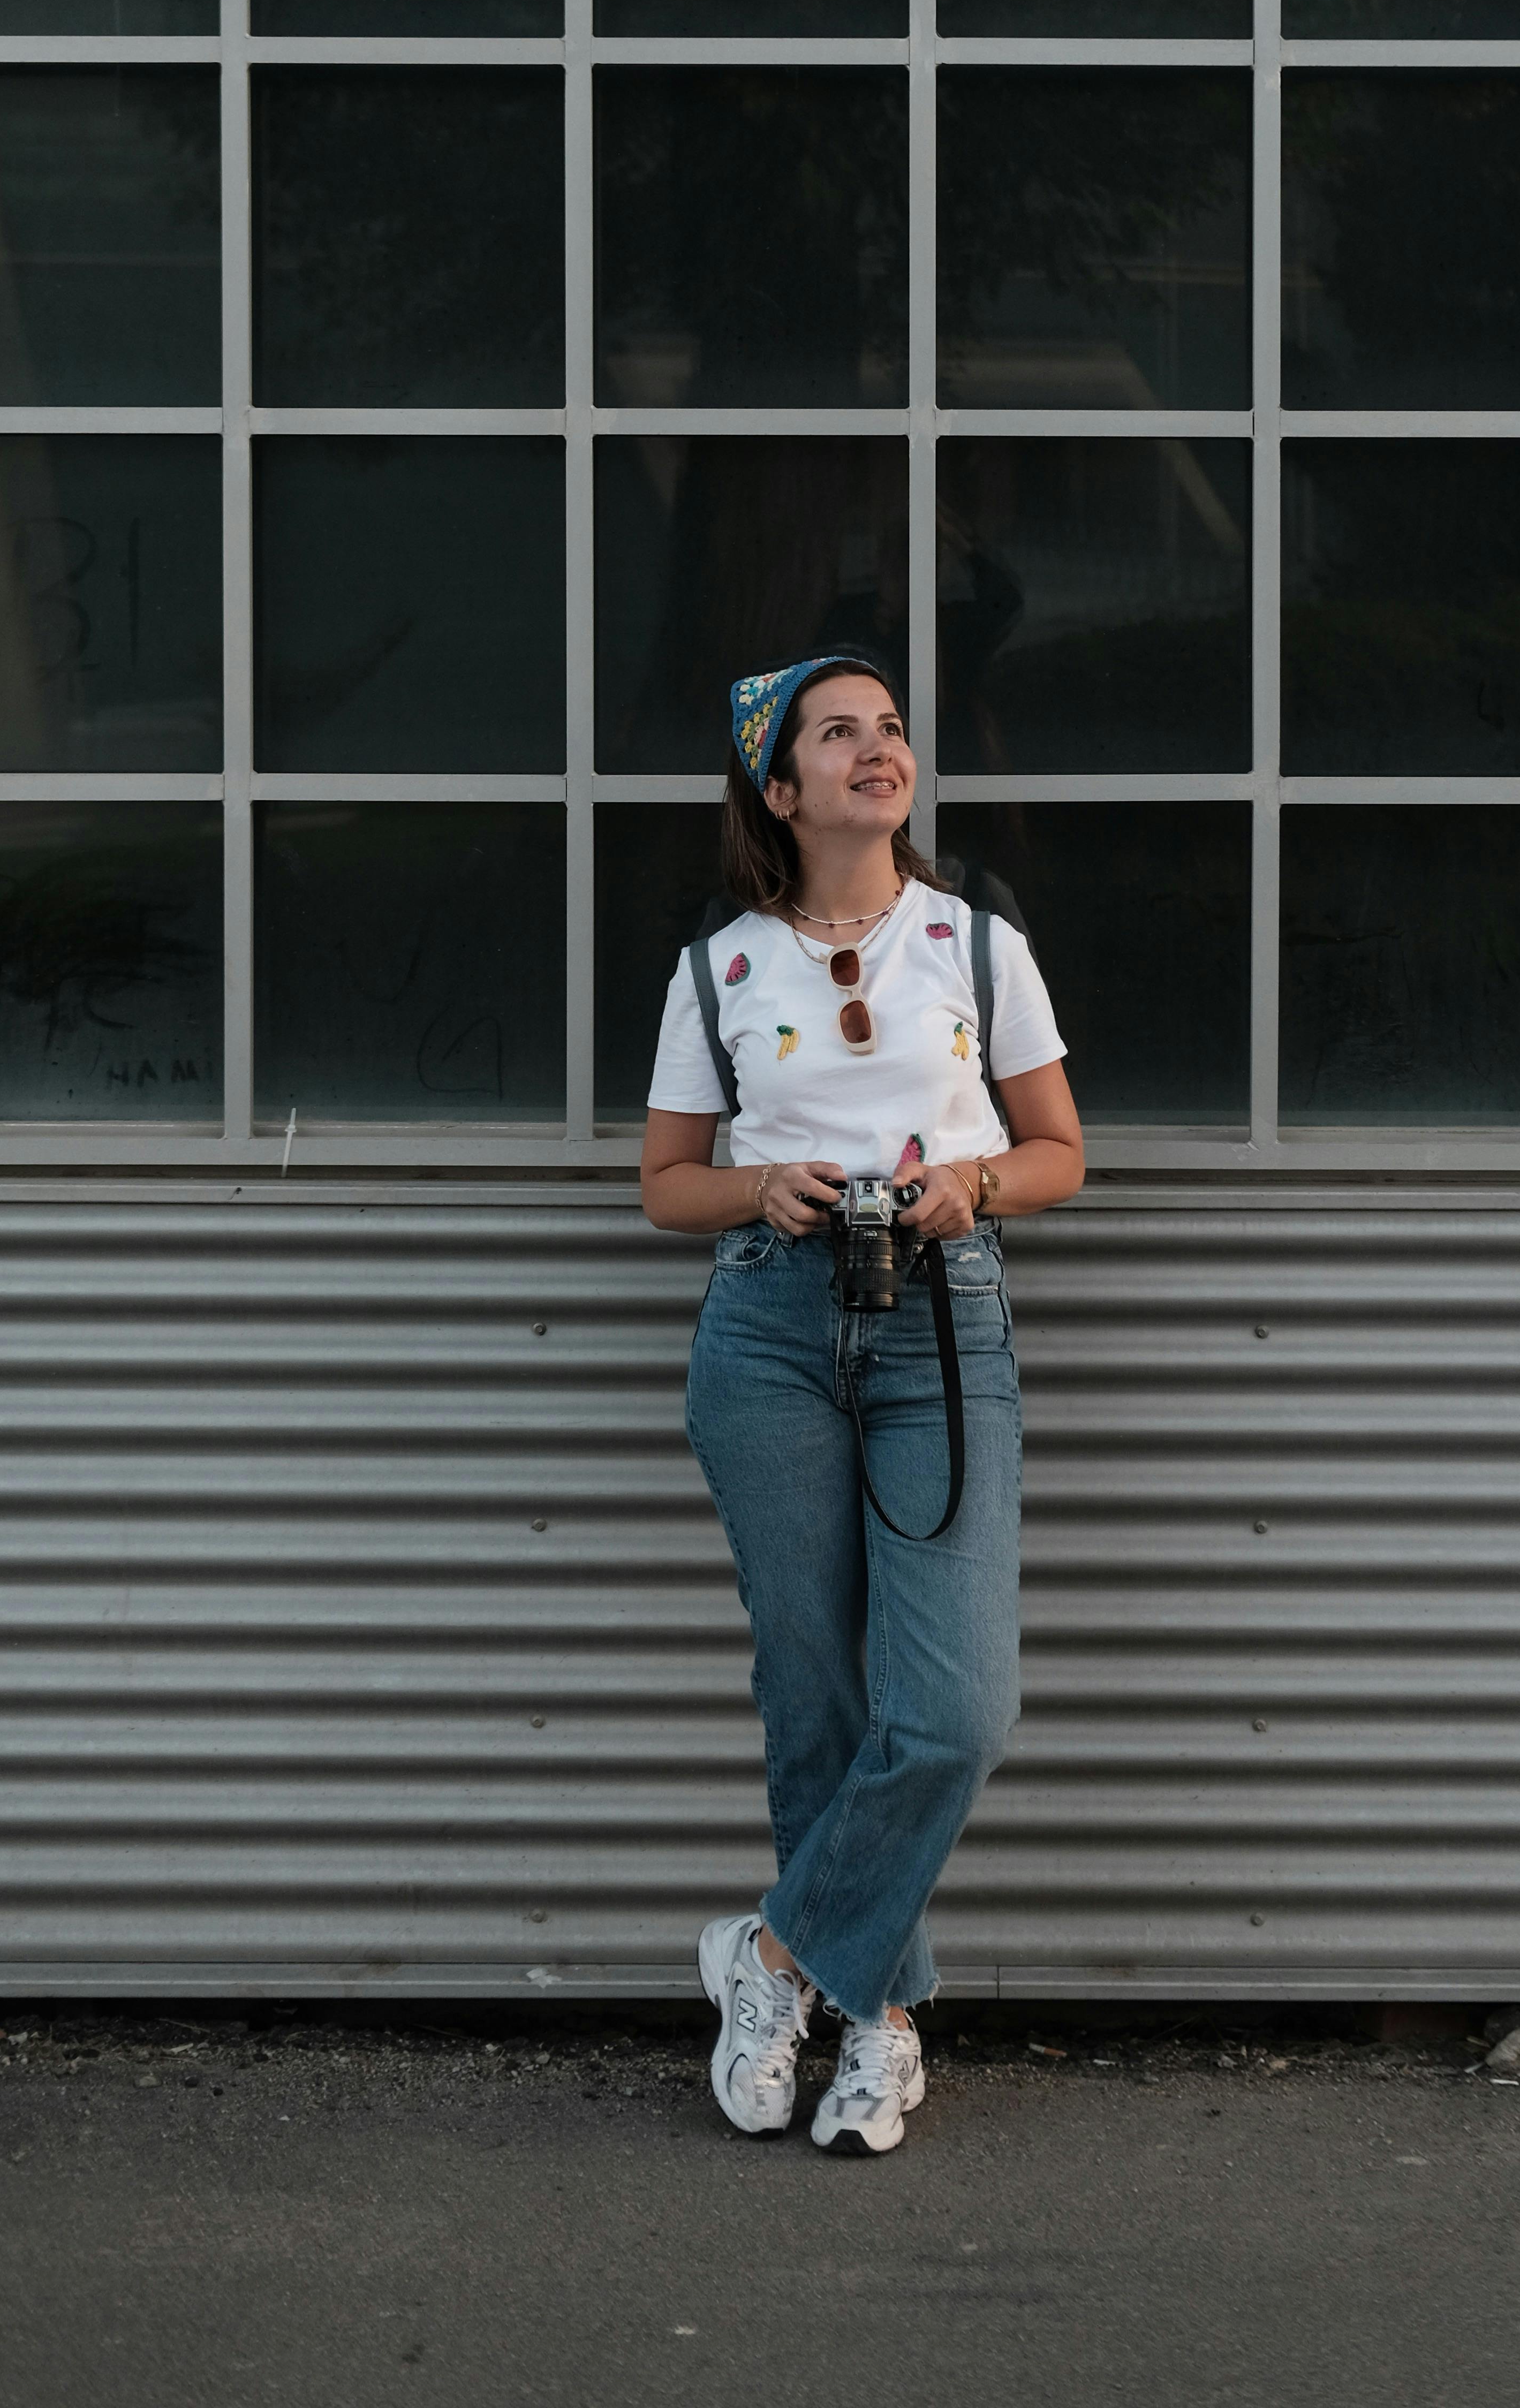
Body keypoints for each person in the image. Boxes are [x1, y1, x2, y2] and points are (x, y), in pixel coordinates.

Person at [641, 651, 1085, 2156]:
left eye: (891, 728)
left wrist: (971, 1184)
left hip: (941, 1328)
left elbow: (1063, 1153)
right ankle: (874, 2024)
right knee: (816, 1694)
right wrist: (759, 1184)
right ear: (782, 787)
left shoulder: (974, 946)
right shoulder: (721, 969)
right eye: (840, 734)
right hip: (768, 1325)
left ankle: (773, 1958)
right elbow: (661, 1186)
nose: (878, 750)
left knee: (954, 1711)